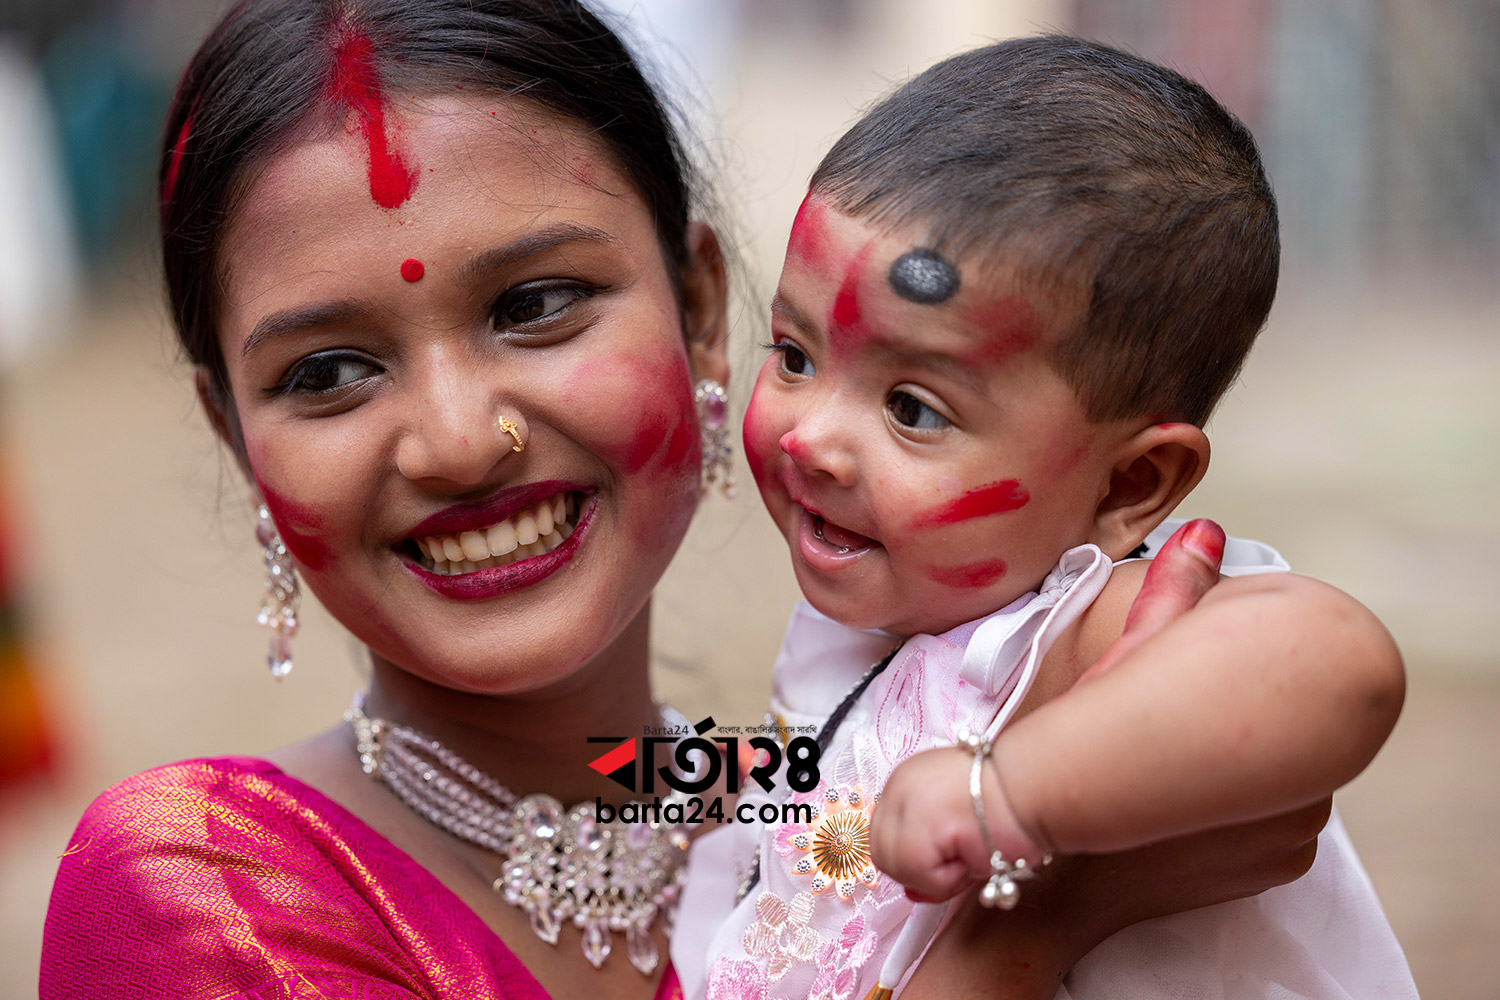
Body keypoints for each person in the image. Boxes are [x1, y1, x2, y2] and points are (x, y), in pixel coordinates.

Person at [39, 6, 1367, 999]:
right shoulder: (204, 891)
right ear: (234, 431)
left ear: (698, 310)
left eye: (536, 303)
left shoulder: (785, 797)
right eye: (327, 372)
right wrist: (1029, 927)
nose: (457, 441)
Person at [676, 37, 1413, 1000]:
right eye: (796, 354)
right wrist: (656, 774)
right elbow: (826, 777)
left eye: (912, 408)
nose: (811, 438)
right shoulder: (897, 615)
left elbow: (1340, 664)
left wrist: (1014, 794)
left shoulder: (1080, 635)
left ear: (1128, 489)